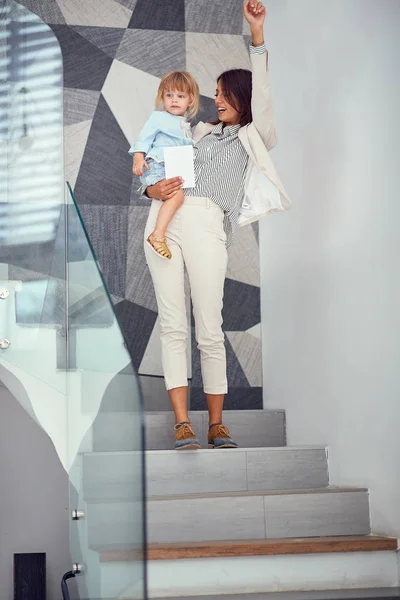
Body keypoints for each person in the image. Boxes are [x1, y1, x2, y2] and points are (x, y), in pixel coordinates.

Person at [139, 0, 291, 450]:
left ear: (241, 99)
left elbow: (262, 94)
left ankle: (217, 423)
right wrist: (151, 192)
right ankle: (183, 422)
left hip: (207, 224)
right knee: (172, 324)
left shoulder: (254, 136)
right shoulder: (196, 131)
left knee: (208, 325)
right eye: (217, 93)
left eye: (225, 94)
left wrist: (257, 35)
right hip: (163, 220)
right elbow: (153, 170)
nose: (217, 99)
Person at [129, 71, 200, 260]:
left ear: (190, 100)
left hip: (174, 167)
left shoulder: (185, 125)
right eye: (169, 95)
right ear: (162, 97)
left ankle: (162, 232)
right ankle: (158, 235)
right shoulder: (158, 117)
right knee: (177, 196)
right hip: (159, 166)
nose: (174, 100)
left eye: (180, 96)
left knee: (177, 197)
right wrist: (138, 157)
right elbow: (143, 138)